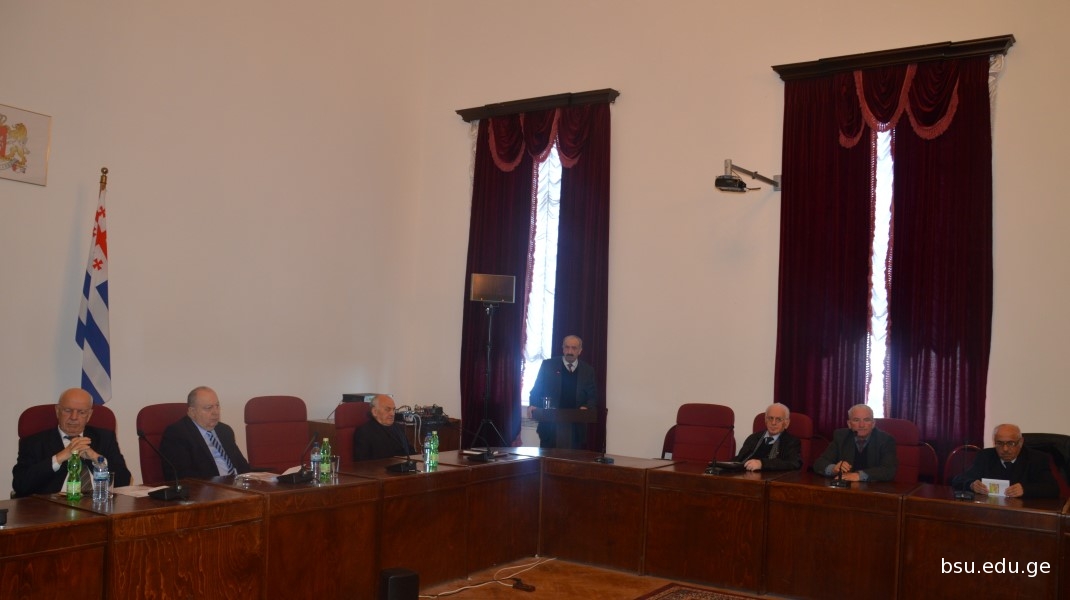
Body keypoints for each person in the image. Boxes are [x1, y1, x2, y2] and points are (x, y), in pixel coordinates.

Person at [12, 388, 132, 498]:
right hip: (53, 508)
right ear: (57, 411)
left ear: (89, 415)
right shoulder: (34, 442)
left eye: (81, 412)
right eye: (68, 410)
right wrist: (59, 458)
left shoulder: (104, 438)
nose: (74, 417)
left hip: (98, 505)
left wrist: (96, 459)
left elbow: (124, 481)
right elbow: (20, 485)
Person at [159, 386, 251, 479]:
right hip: (209, 485)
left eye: (217, 406)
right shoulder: (177, 434)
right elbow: (183, 476)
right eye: (208, 408)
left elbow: (243, 467)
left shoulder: (225, 430)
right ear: (192, 411)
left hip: (237, 484)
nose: (216, 412)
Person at [951, 424, 1060, 499]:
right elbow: (957, 480)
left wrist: (1026, 489)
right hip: (991, 512)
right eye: (1000, 443)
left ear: (1020, 442)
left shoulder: (1036, 459)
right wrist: (971, 485)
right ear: (994, 442)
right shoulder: (985, 456)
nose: (1005, 449)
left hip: (1023, 515)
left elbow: (1053, 489)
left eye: (1011, 443)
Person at [528, 335, 598, 449]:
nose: (570, 351)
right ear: (563, 348)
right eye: (567, 347)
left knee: (574, 460)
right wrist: (533, 405)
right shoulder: (548, 365)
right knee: (548, 459)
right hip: (549, 427)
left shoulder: (587, 370)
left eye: (574, 348)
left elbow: (592, 396)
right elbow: (537, 389)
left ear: (580, 351)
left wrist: (587, 407)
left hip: (576, 430)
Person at [813, 404, 898, 482]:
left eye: (866, 420)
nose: (861, 425)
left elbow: (889, 470)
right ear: (849, 424)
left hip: (875, 489)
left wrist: (859, 475)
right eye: (856, 420)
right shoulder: (841, 437)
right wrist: (834, 469)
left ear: (873, 424)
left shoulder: (885, 440)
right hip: (846, 488)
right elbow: (819, 463)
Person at [733, 403, 802, 471]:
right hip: (744, 474)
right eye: (770, 418)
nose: (773, 423)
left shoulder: (791, 442)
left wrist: (762, 464)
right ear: (765, 420)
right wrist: (727, 465)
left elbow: (793, 464)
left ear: (786, 423)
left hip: (771, 477)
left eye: (778, 419)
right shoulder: (753, 438)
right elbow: (739, 459)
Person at [353, 394, 416, 461]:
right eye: (387, 409)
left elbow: (409, 451)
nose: (392, 414)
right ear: (374, 412)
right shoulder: (365, 432)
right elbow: (362, 463)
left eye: (393, 409)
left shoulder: (399, 428)